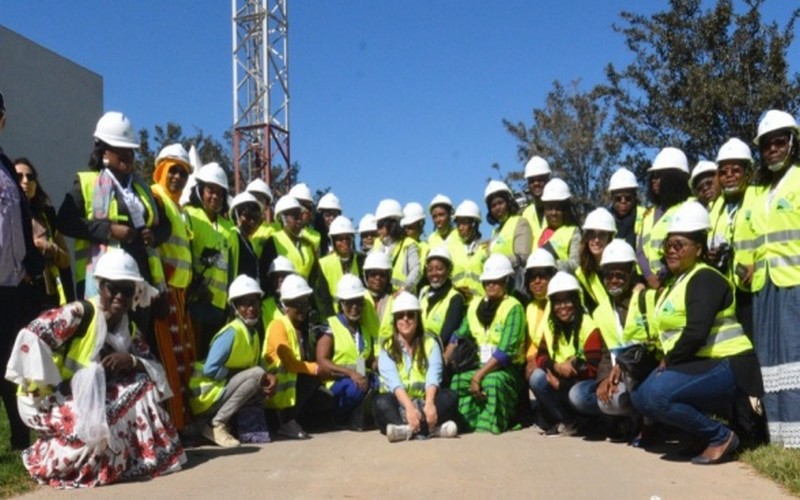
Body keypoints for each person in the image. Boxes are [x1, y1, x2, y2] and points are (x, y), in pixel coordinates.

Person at [5, 249, 185, 487]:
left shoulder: (127, 329)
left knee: (142, 386)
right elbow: (30, 337)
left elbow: (153, 367)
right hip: (44, 398)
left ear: (135, 294)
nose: (120, 296)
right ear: (100, 287)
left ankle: (129, 459)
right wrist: (56, 385)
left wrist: (129, 360)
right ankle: (49, 457)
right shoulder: (79, 313)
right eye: (113, 288)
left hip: (82, 398)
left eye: (127, 290)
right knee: (94, 426)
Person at [631, 201, 762, 463]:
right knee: (641, 397)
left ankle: (720, 436)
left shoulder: (705, 278)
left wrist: (669, 361)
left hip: (729, 365)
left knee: (656, 395)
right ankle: (699, 436)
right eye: (668, 245)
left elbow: (695, 333)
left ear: (699, 249)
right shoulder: (675, 283)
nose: (671, 251)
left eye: (679, 245)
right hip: (701, 363)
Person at [57, 111, 168, 302]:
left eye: (131, 150)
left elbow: (166, 224)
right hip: (103, 283)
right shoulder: (86, 182)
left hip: (140, 279)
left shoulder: (142, 188)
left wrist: (155, 235)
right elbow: (65, 222)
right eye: (121, 149)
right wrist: (110, 230)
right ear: (104, 151)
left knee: (138, 333)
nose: (128, 155)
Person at [745, 110, 800, 449]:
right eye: (767, 145)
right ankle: (779, 441)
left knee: (796, 361)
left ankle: (798, 443)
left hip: (794, 282)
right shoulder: (759, 191)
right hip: (765, 287)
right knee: (772, 366)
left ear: (793, 143)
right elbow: (749, 240)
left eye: (779, 142)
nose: (773, 149)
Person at [0, 90, 45, 451]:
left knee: (10, 364)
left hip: (12, 285)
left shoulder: (7, 169)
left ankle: (20, 439)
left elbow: (21, 218)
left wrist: (32, 260)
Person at [190, 275, 276, 447]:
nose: (251, 308)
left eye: (254, 303)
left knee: (260, 378)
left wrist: (269, 377)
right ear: (235, 307)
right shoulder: (231, 333)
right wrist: (242, 374)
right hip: (207, 397)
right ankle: (216, 424)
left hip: (222, 392)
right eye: (245, 304)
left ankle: (234, 425)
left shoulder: (252, 333)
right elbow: (210, 369)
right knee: (257, 375)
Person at [446, 254, 525, 434]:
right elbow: (458, 335)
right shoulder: (474, 306)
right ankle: (468, 423)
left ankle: (492, 425)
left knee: (492, 381)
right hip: (478, 364)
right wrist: (445, 357)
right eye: (487, 281)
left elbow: (506, 351)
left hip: (506, 369)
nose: (491, 285)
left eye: (496, 281)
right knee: (457, 381)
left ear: (506, 281)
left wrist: (478, 376)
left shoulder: (514, 308)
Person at [149, 143, 197, 431]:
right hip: (164, 291)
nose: (178, 177)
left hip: (181, 294)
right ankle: (172, 427)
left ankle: (184, 422)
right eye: (173, 170)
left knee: (183, 362)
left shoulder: (179, 208)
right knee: (168, 361)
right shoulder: (156, 198)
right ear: (161, 170)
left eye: (183, 172)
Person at [373, 292, 458, 442]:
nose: (405, 319)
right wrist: (410, 409)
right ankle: (432, 430)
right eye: (400, 316)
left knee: (451, 397)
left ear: (418, 318)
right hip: (399, 402)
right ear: (395, 321)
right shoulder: (387, 347)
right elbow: (394, 383)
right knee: (380, 403)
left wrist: (430, 404)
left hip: (425, 400)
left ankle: (406, 430)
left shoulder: (430, 343)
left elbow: (434, 375)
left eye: (410, 315)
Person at [529, 272, 604, 436]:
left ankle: (596, 422)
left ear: (576, 301)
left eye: (567, 301)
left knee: (577, 395)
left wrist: (563, 382)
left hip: (584, 382)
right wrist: (556, 366)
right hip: (560, 377)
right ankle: (569, 422)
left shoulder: (588, 326)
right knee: (536, 377)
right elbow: (541, 356)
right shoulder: (550, 326)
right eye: (557, 302)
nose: (562, 307)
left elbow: (594, 368)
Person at [593, 240, 658, 419]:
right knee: (587, 397)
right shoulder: (601, 311)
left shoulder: (647, 299)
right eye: (609, 275)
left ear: (631, 274)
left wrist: (625, 366)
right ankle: (632, 419)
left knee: (630, 384)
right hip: (619, 373)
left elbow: (657, 342)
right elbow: (607, 352)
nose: (614, 280)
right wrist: (604, 379)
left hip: (648, 369)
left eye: (620, 275)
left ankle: (650, 421)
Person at [263, 275, 329, 439]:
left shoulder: (301, 327)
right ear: (286, 306)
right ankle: (285, 421)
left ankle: (295, 418)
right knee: (312, 379)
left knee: (327, 399)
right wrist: (316, 369)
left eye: (305, 303)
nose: (303, 309)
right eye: (297, 304)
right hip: (273, 394)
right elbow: (290, 363)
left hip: (290, 391)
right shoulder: (278, 325)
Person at [184, 162, 238, 359]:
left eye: (220, 193)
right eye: (210, 190)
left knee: (213, 357)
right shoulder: (190, 216)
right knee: (195, 354)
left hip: (220, 305)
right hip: (197, 301)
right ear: (200, 190)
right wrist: (196, 286)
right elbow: (185, 254)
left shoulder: (229, 228)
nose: (215, 197)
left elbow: (232, 266)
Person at [708, 138, 756, 337]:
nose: (729, 176)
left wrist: (758, 265)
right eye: (723, 172)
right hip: (726, 291)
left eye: (736, 170)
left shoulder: (759, 197)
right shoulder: (714, 208)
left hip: (753, 289)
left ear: (748, 172)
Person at [316, 275, 378, 430]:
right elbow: (322, 361)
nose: (355, 307)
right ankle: (339, 417)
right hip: (337, 381)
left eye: (358, 302)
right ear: (341, 304)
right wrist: (351, 373)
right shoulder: (331, 325)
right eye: (350, 302)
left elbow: (369, 361)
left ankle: (359, 414)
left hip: (360, 378)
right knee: (355, 389)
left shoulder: (364, 331)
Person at [15, 157, 73, 309]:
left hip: (50, 297)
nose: (26, 181)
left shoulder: (47, 215)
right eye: (19, 176)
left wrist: (49, 248)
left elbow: (66, 260)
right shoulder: (5, 217)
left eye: (30, 176)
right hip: (16, 296)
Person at [636, 147, 692, 290]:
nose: (654, 181)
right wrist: (650, 277)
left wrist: (665, 274)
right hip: (654, 286)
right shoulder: (649, 214)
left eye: (660, 176)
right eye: (653, 177)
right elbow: (640, 251)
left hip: (679, 282)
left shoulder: (688, 208)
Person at [521, 249, 557, 424]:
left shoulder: (561, 303)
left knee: (536, 377)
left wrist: (535, 361)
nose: (537, 281)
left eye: (542, 276)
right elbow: (530, 342)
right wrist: (529, 360)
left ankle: (563, 417)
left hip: (555, 364)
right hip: (537, 361)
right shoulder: (530, 307)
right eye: (533, 277)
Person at [484, 180, 532, 292]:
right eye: (493, 205)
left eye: (500, 203)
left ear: (508, 203)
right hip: (496, 286)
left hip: (515, 286)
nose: (497, 208)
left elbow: (523, 256)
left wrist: (498, 263)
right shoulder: (495, 231)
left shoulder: (520, 222)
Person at [316, 215, 365, 318]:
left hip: (359, 315)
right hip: (335, 316)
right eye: (340, 239)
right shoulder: (324, 264)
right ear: (333, 241)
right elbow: (323, 298)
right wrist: (332, 322)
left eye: (348, 238)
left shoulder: (361, 260)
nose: (344, 242)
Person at [260, 195, 316, 281]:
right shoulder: (273, 242)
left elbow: (314, 276)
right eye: (295, 216)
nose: (299, 219)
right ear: (282, 218)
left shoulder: (308, 245)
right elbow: (265, 276)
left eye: (300, 215)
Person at [418, 246, 465, 346]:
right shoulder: (423, 292)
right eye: (430, 270)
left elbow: (446, 336)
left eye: (439, 269)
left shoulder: (455, 298)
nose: (434, 273)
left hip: (437, 352)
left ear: (448, 270)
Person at [374, 198, 421, 293]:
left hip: (404, 299)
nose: (379, 231)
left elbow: (417, 271)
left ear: (392, 225)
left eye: (381, 226)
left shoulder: (408, 244)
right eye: (377, 226)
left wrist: (404, 289)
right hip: (384, 298)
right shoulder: (377, 245)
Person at [575, 207, 617, 312]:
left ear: (610, 237)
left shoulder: (621, 267)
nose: (596, 240)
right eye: (592, 234)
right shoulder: (581, 273)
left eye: (602, 234)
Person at [537, 178, 581, 273]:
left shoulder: (573, 231)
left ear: (565, 210)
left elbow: (576, 264)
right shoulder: (541, 231)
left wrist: (552, 264)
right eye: (549, 208)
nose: (553, 213)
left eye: (558, 208)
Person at [448, 199, 487, 302]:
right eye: (458, 224)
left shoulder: (485, 248)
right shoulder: (452, 249)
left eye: (464, 223)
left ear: (474, 223)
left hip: (480, 304)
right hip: (458, 304)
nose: (460, 228)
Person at [229, 191, 265, 286]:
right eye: (248, 216)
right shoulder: (231, 236)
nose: (252, 222)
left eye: (256, 218)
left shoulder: (250, 244)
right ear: (237, 214)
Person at [363, 251, 396, 351]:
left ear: (388, 277)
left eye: (382, 275)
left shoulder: (396, 299)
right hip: (362, 356)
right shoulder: (358, 299)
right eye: (373, 274)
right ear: (366, 276)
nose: (378, 278)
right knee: (359, 367)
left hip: (389, 355)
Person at [607, 167, 643, 250]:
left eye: (628, 198)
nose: (623, 202)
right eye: (618, 198)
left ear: (635, 197)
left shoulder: (646, 216)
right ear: (611, 198)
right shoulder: (604, 220)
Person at [521, 156, 552, 246]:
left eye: (540, 179)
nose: (536, 184)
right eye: (532, 181)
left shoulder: (559, 210)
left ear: (548, 180)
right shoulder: (526, 213)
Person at [245, 177, 278, 259]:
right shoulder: (235, 225)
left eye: (260, 199)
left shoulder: (272, 230)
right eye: (253, 197)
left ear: (266, 206)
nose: (256, 201)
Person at [288, 183, 321, 254]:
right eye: (302, 205)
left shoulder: (315, 236)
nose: (305, 210)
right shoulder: (276, 229)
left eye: (309, 207)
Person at [315, 192, 342, 257]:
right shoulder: (314, 238)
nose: (332, 218)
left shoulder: (346, 238)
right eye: (328, 215)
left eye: (335, 215)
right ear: (320, 216)